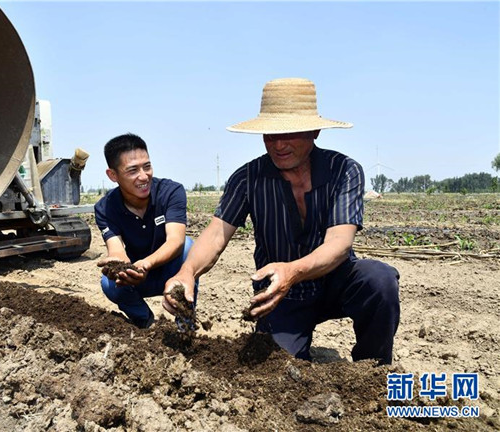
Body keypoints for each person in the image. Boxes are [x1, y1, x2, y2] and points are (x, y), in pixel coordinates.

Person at [163, 78, 400, 364]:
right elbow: (215, 235)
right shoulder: (247, 179)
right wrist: (187, 272)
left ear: (315, 131)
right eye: (270, 135)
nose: (278, 144)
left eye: (289, 134)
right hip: (280, 294)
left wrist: (292, 271)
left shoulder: (343, 171)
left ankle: (373, 369)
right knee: (278, 368)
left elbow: (339, 244)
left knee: (379, 280)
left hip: (335, 281)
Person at [95, 133, 198, 329]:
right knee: (109, 283)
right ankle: (146, 323)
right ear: (113, 175)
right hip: (137, 278)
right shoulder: (105, 207)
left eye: (147, 167)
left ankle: (185, 326)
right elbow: (116, 250)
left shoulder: (170, 192)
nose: (144, 176)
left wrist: (146, 264)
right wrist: (124, 268)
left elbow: (176, 241)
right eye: (133, 170)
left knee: (188, 247)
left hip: (172, 272)